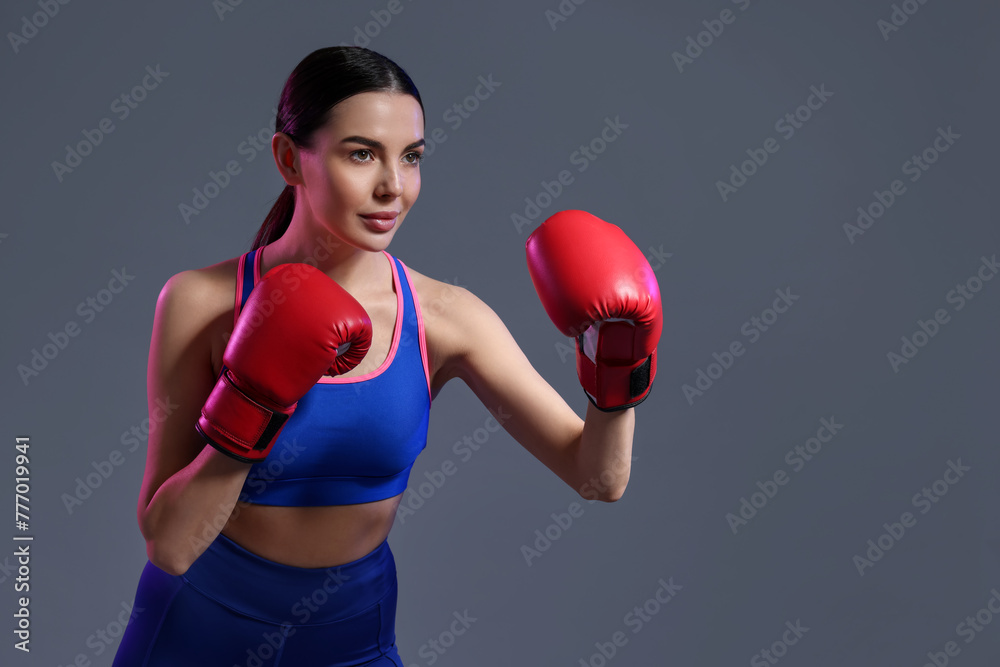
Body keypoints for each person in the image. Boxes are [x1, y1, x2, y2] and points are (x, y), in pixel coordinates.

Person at [112, 46, 662, 666]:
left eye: (412, 157)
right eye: (361, 153)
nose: (392, 187)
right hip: (195, 631)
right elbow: (171, 544)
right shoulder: (201, 302)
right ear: (290, 159)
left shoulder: (445, 317)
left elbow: (598, 478)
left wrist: (618, 363)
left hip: (351, 636)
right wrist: (251, 403)